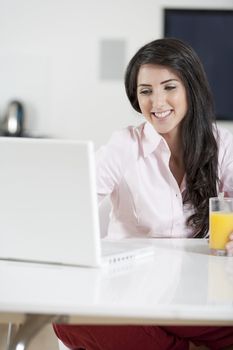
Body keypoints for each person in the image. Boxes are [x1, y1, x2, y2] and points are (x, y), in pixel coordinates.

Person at [54, 38, 233, 349]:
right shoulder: (124, 145)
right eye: (146, 91)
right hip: (132, 290)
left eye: (169, 87)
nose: (157, 102)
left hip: (199, 292)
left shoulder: (222, 144)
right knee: (65, 319)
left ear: (191, 87)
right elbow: (75, 204)